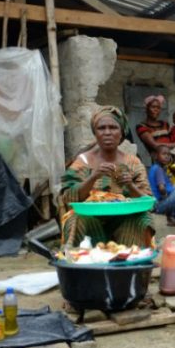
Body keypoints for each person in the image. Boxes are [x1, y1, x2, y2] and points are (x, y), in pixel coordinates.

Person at [60, 106, 154, 247]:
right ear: (95, 133)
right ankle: (80, 263)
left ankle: (131, 263)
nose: (107, 133)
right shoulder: (83, 162)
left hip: (124, 221)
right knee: (75, 218)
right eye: (101, 128)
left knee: (142, 218)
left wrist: (130, 185)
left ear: (121, 132)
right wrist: (93, 177)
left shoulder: (132, 162)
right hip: (91, 220)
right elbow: (68, 198)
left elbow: (147, 201)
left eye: (113, 127)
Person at [136, 94, 175, 159]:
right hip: (159, 161)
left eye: (158, 108)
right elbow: (155, 145)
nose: (156, 110)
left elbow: (172, 140)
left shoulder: (165, 124)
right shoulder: (142, 127)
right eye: (153, 107)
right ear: (147, 109)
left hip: (172, 158)